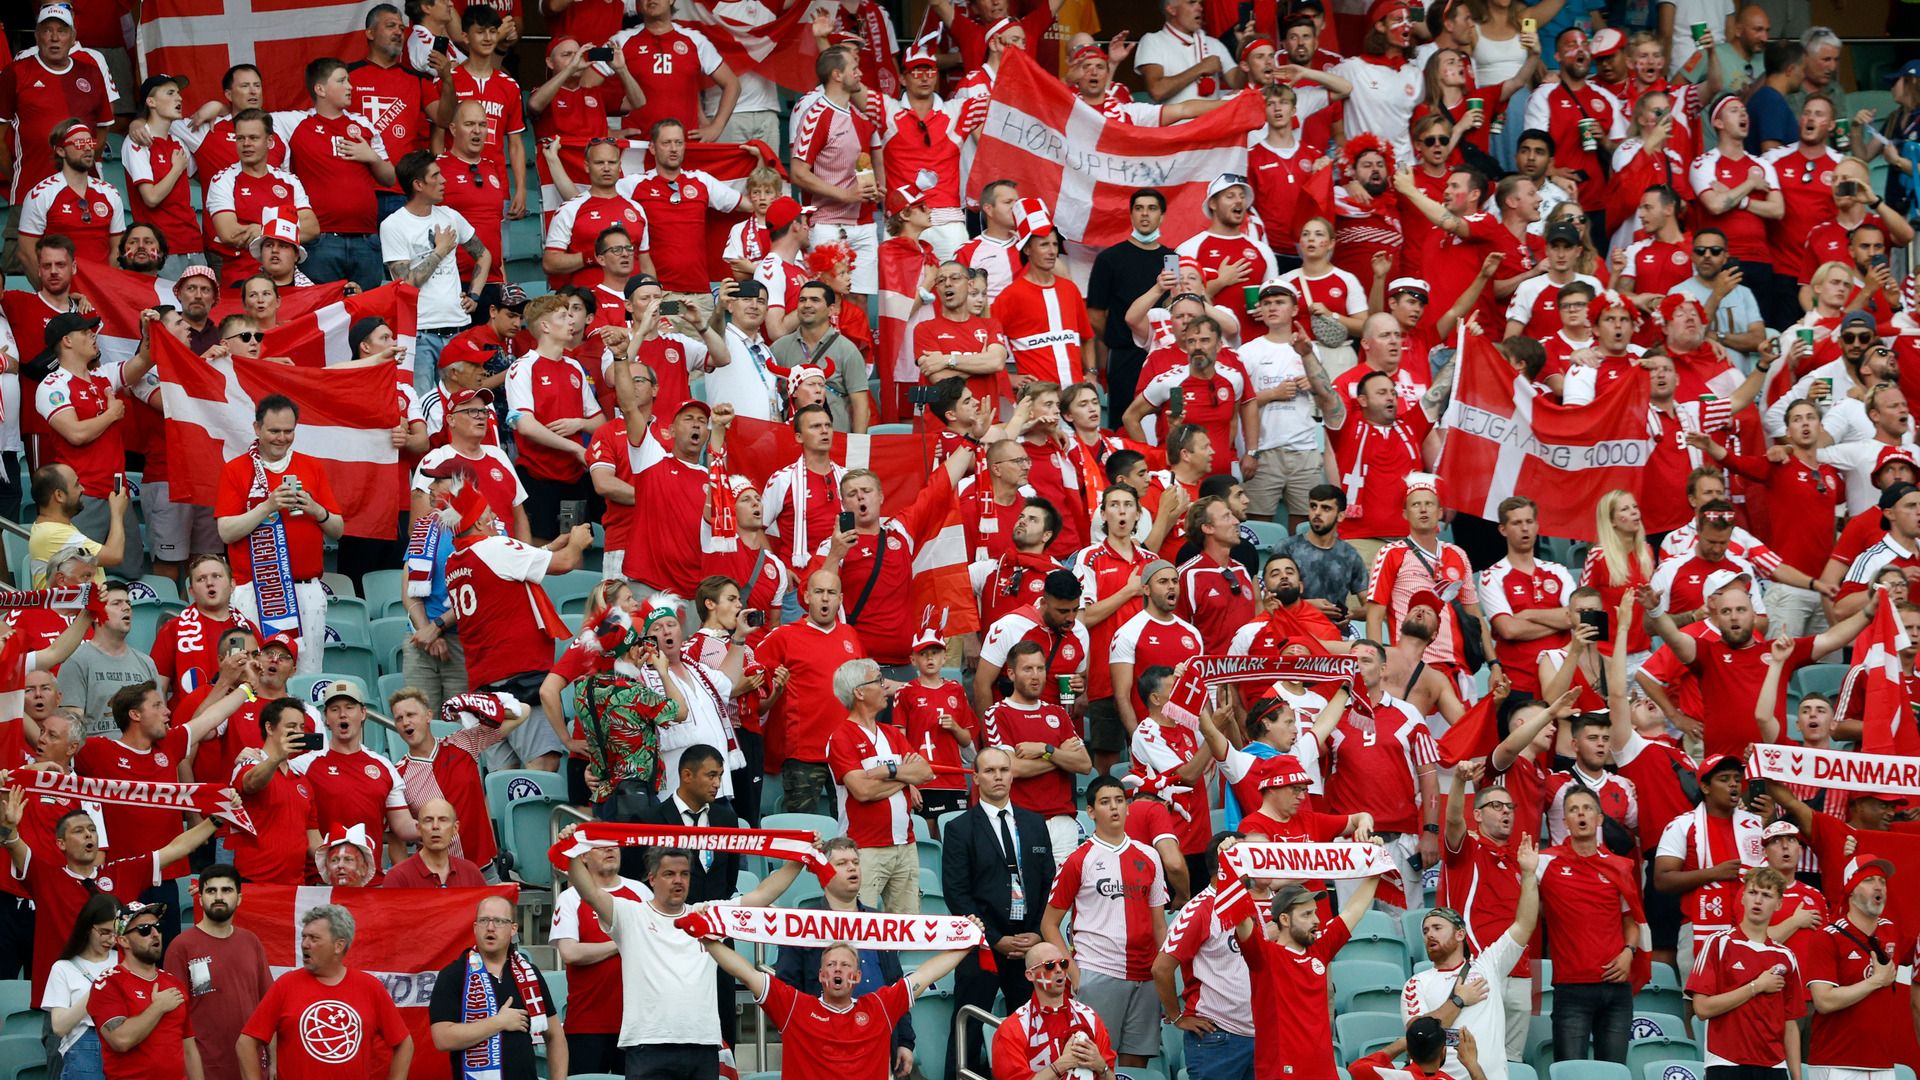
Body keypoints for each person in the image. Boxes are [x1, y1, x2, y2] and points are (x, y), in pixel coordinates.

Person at [565, 843, 797, 1080]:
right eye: (669, 874)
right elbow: (590, 892)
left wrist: (800, 857)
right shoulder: (632, 914)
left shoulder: (707, 915)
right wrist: (572, 849)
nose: (678, 881)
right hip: (648, 1045)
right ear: (652, 879)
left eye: (684, 874)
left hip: (702, 1044)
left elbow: (762, 895)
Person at [0, 785, 216, 1007]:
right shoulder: (45, 878)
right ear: (61, 844)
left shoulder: (121, 873)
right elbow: (14, 846)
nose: (87, 834)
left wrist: (216, 820)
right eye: (78, 831)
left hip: (116, 1001)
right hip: (63, 1002)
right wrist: (7, 828)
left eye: (92, 829)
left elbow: (177, 848)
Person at [437, 476, 589, 771]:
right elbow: (565, 563)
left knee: (502, 780)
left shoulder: (455, 562)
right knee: (542, 767)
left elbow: (505, 570)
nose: (494, 517)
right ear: (479, 524)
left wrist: (546, 549)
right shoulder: (495, 547)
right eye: (488, 513)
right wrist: (577, 543)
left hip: (485, 687)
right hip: (519, 679)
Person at [699, 917, 975, 1080]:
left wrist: (967, 940)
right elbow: (746, 973)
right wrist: (708, 939)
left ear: (856, 977)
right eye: (831, 965)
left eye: (845, 965)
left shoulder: (880, 1006)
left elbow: (925, 975)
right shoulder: (794, 1006)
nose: (838, 970)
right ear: (820, 975)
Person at [941, 746, 1055, 1077]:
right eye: (989, 771)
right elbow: (957, 894)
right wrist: (994, 938)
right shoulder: (960, 829)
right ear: (976, 778)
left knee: (1032, 1030)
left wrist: (1037, 932)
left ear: (1013, 773)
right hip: (982, 947)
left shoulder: (1034, 824)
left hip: (1028, 945)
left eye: (1004, 770)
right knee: (968, 1026)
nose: (998, 776)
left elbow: (1049, 882)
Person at [1040, 775, 1168, 1066]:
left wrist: (1164, 970)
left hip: (1146, 975)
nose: (1114, 808)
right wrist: (1074, 973)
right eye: (1105, 802)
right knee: (1092, 1062)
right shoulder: (1078, 859)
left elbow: (1159, 923)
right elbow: (1049, 923)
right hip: (1098, 971)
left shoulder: (1150, 856)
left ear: (1128, 806)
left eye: (1120, 801)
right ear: (1091, 811)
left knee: (1136, 1063)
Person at [213, 396, 341, 674]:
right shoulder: (237, 469)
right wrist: (268, 506)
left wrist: (316, 509)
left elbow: (338, 529)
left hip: (305, 589)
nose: (282, 438)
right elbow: (226, 531)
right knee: (251, 671)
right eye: (274, 431)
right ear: (257, 428)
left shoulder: (312, 466)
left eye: (289, 431)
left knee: (307, 672)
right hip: (255, 588)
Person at [772, 836, 918, 1072]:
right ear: (823, 875)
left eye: (855, 862)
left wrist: (904, 1041)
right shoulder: (802, 924)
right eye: (841, 863)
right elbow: (788, 989)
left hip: (878, 1045)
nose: (852, 867)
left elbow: (895, 984)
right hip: (823, 1048)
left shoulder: (880, 923)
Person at [1403, 835, 1541, 1080]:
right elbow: (1418, 1035)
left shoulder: (1488, 965)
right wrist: (1459, 1000)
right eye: (1425, 931)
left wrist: (1529, 875)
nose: (1429, 935)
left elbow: (1524, 924)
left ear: (1460, 934)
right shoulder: (1416, 984)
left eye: (1437, 928)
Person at [1238, 868, 1387, 1080]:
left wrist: (1376, 869)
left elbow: (1354, 909)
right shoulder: (1265, 956)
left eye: (1315, 912)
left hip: (1324, 1073)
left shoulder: (1320, 949)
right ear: (1284, 919)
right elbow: (1240, 919)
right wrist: (1232, 868)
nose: (1316, 920)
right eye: (1307, 914)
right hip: (1282, 1073)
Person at [237, 904, 413, 1080]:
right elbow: (245, 1043)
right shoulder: (285, 985)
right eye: (304, 937)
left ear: (338, 945)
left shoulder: (370, 988)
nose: (305, 944)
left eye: (314, 938)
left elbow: (404, 1043)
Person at [1535, 786, 1645, 1063]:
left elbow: (1632, 922)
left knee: (1614, 1073)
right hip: (1571, 988)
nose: (1581, 813)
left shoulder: (1620, 866)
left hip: (1617, 988)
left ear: (1599, 818)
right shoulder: (1544, 862)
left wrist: (1628, 953)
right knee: (1572, 1072)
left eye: (1587, 808)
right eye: (1573, 809)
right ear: (1566, 822)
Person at [829, 657, 930, 912]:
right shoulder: (841, 737)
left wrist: (888, 771)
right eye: (879, 681)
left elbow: (926, 772)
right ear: (859, 691)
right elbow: (863, 791)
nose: (886, 687)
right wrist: (904, 779)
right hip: (865, 848)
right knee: (865, 928)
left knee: (907, 929)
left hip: (905, 845)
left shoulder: (893, 733)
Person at [428, 895, 568, 1080]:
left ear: (513, 929)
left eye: (500, 921)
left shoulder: (529, 974)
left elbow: (555, 1036)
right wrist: (498, 1023)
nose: (490, 927)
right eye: (484, 920)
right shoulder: (453, 975)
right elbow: (442, 1038)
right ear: (475, 928)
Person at [1686, 867, 1807, 1077]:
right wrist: (1756, 987)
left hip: (1774, 1067)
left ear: (1778, 904)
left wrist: (1796, 1077)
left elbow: (1790, 1024)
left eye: (1767, 895)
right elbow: (1702, 1008)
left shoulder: (1786, 956)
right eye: (1752, 892)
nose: (1758, 900)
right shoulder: (1718, 943)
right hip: (1725, 1062)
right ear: (1742, 898)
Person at [380, 150, 490, 372]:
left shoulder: (450, 216)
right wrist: (440, 251)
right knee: (421, 403)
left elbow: (484, 255)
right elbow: (406, 284)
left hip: (459, 328)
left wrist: (475, 295)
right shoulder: (393, 225)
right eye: (435, 176)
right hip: (420, 332)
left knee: (461, 401)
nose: (443, 180)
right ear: (418, 185)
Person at [162, 865, 274, 1080]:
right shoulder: (181, 947)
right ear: (200, 898)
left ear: (239, 898)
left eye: (227, 890)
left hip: (252, 1067)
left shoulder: (251, 942)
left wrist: (274, 1061)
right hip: (204, 1068)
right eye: (211, 891)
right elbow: (174, 1020)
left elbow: (268, 1006)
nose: (219, 897)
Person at [1803, 856, 1908, 1078]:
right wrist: (1875, 981)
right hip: (1836, 1063)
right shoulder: (1826, 937)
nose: (1879, 886)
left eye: (1882, 881)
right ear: (1851, 889)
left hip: (1883, 1063)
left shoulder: (1892, 932)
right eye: (1869, 880)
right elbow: (1824, 1001)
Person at [88, 900, 203, 1080]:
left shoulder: (173, 983)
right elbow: (120, 1040)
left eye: (157, 926)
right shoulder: (108, 984)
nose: (155, 934)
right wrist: (158, 1007)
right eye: (144, 929)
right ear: (123, 940)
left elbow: (189, 1050)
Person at [229, 695, 325, 886]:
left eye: (301, 727)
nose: (298, 733)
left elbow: (313, 840)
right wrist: (276, 758)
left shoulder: (302, 780)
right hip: (254, 883)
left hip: (295, 886)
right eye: (291, 727)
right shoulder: (247, 763)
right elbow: (252, 784)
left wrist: (339, 858)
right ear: (270, 728)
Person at [988, 941, 1118, 1080]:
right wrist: (1062, 1065)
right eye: (1049, 965)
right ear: (1030, 975)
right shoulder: (1013, 1028)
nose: (1059, 970)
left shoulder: (1089, 1017)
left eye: (1063, 963)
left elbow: (1110, 1076)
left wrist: (1101, 1066)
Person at [18, 120, 126, 271]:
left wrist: (106, 285)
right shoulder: (41, 194)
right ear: (61, 151)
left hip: (101, 288)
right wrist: (50, 292)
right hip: (61, 289)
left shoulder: (110, 192)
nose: (88, 148)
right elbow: (27, 253)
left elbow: (118, 248)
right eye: (80, 143)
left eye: (90, 142)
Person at [57, 581, 159, 727]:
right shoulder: (76, 661)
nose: (126, 608)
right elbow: (71, 728)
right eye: (117, 603)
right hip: (98, 746)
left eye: (128, 603)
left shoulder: (147, 663)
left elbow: (159, 719)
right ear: (97, 615)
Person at [43, 894, 118, 1080]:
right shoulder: (63, 968)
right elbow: (59, 1026)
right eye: (104, 932)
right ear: (87, 928)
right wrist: (98, 990)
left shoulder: (125, 961)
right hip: (84, 1048)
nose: (111, 940)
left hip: (123, 1044)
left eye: (117, 933)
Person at [27, 464, 128, 589]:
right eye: (76, 484)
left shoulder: (52, 527)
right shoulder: (53, 534)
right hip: (69, 608)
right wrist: (117, 513)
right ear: (59, 495)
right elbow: (114, 556)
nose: (82, 489)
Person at [384, 797, 488, 888]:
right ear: (418, 828)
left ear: (455, 828)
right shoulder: (398, 877)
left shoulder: (471, 873)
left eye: (443, 820)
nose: (435, 826)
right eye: (428, 820)